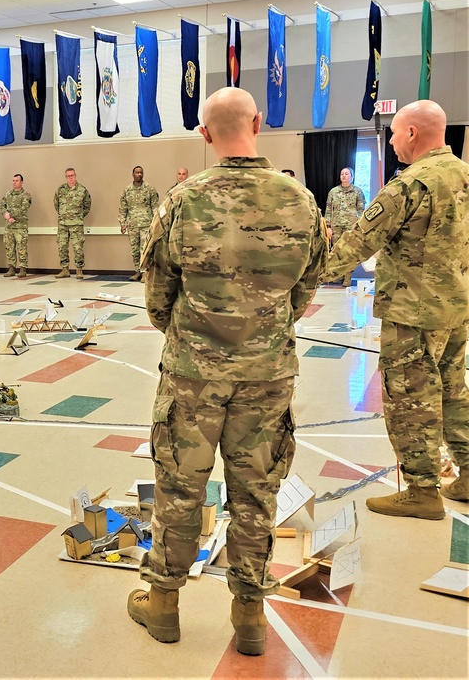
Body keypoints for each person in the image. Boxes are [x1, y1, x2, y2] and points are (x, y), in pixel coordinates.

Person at [129, 87, 326, 656]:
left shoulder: (184, 200)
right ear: (258, 123)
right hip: (268, 372)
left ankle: (164, 604)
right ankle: (249, 616)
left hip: (193, 371)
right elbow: (307, 284)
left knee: (180, 486)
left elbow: (158, 291)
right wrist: (266, 324)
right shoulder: (300, 199)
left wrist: (192, 333)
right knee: (256, 492)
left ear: (204, 133)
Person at [323, 100, 469, 517]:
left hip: (413, 312)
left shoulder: (410, 184)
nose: (390, 140)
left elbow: (358, 241)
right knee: (454, 392)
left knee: (410, 399)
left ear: (410, 133)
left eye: (393, 133)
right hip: (456, 308)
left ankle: (422, 490)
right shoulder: (463, 175)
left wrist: (303, 278)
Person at [325, 167, 366, 287]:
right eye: (342, 173)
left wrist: (360, 226)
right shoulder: (333, 192)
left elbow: (361, 210)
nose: (344, 176)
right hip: (336, 225)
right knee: (336, 251)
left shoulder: (357, 191)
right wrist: (328, 226)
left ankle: (347, 277)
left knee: (348, 252)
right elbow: (328, 210)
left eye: (346, 174)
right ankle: (337, 276)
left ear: (351, 177)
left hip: (351, 226)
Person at [119, 166, 160, 282]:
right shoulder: (127, 190)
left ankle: (145, 273)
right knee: (135, 250)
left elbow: (155, 207)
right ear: (133, 174)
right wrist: (122, 223)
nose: (139, 174)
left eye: (141, 172)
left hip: (146, 224)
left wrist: (155, 223)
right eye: (137, 172)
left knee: (145, 249)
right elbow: (123, 208)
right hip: (132, 225)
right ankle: (137, 271)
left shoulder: (149, 189)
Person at [53, 167, 91, 279]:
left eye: (72, 175)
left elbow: (87, 205)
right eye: (68, 176)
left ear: (75, 176)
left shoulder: (82, 190)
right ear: (66, 177)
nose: (70, 177)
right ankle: (65, 270)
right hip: (63, 224)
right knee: (62, 246)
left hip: (76, 224)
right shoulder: (60, 190)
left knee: (78, 248)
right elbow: (56, 204)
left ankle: (79, 270)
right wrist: (63, 215)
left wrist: (78, 216)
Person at [1, 173, 32, 278]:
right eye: (13, 180)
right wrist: (6, 215)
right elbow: (2, 206)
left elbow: (24, 208)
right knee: (9, 247)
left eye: (17, 181)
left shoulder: (26, 194)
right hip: (9, 226)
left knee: (21, 248)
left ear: (22, 182)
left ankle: (23, 268)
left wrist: (11, 215)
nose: (14, 182)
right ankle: (11, 268)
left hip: (20, 226)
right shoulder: (8, 194)